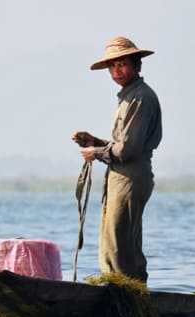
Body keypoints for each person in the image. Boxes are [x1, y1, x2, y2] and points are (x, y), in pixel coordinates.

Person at [72, 36, 162, 283]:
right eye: (112, 66)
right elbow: (122, 145)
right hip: (122, 174)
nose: (116, 71)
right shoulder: (128, 96)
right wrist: (96, 142)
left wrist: (95, 153)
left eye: (122, 64)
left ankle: (127, 295)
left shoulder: (140, 98)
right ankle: (126, 292)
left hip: (131, 175)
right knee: (117, 239)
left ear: (136, 65)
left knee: (119, 242)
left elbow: (128, 150)